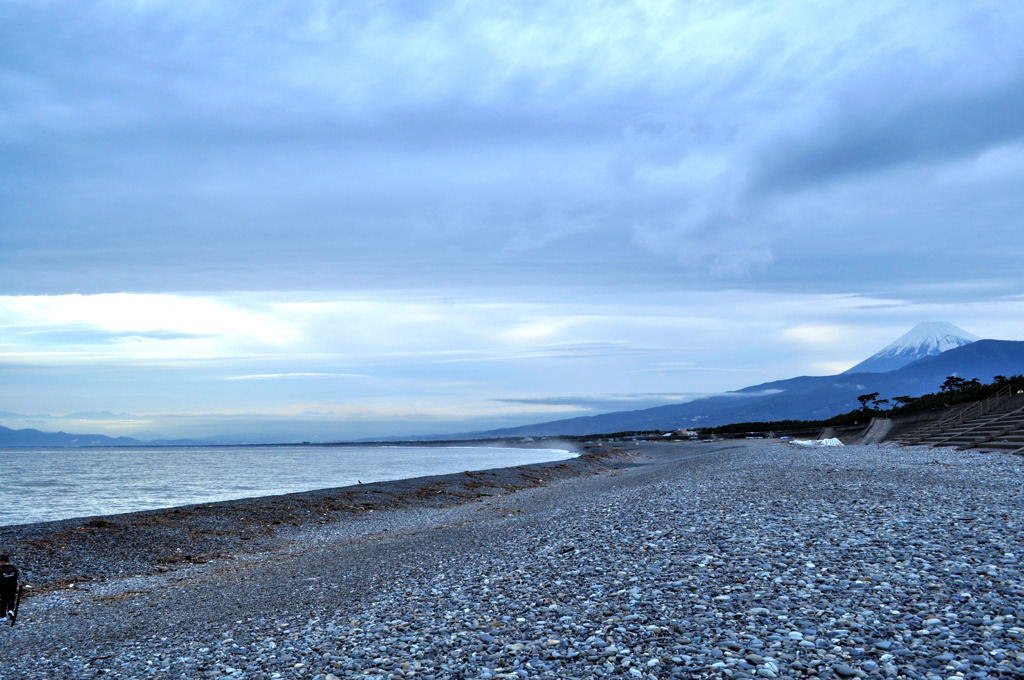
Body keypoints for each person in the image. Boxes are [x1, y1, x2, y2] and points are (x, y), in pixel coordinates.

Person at [0, 554, 18, 621]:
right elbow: (16, 576)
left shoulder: (1, 568)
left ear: (3, 561)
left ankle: (3, 616)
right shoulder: (14, 568)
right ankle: (10, 610)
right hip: (12, 586)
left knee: (3, 601)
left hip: (3, 587)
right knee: (11, 599)